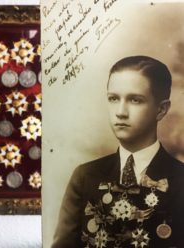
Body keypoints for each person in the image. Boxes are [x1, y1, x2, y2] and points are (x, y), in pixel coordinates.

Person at [52, 55, 184, 248]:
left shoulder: (180, 180)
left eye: (135, 100)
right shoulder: (85, 177)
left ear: (161, 109)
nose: (120, 111)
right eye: (113, 98)